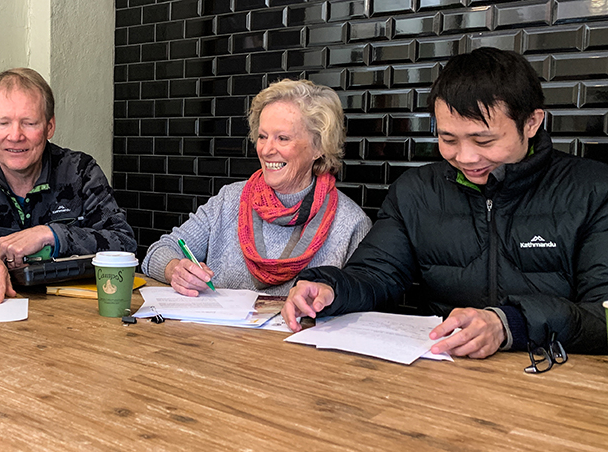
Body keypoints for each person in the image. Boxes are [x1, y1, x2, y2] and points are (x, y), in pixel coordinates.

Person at [283, 47, 608, 357]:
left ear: (532, 123)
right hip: (440, 370)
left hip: (555, 382)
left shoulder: (592, 190)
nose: (466, 157)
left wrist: (511, 324)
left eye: (484, 140)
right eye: (448, 139)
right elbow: (375, 275)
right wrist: (330, 289)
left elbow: (603, 315)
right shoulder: (417, 191)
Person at [142, 79, 371, 297]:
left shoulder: (351, 223)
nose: (266, 149)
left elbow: (365, 298)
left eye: (282, 138)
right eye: (262, 136)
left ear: (319, 147)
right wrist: (175, 270)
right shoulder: (229, 200)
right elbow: (157, 252)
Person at [0, 68, 136, 303]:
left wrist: (52, 235)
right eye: (3, 123)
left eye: (29, 123)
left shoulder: (80, 171)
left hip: (71, 317)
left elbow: (124, 245)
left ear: (49, 127)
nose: (15, 136)